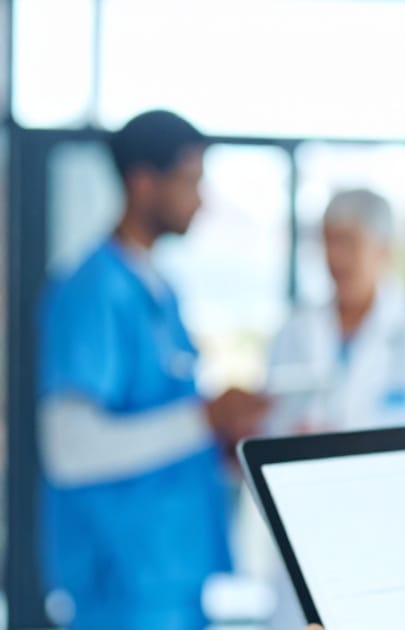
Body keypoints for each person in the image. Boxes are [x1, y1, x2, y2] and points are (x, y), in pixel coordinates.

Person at [38, 110, 270, 630]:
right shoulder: (93, 291)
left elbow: (166, 421)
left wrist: (221, 437)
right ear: (144, 182)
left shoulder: (159, 291)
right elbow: (68, 448)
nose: (201, 199)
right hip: (122, 585)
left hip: (173, 577)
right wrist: (203, 420)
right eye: (190, 180)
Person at [260, 188, 405, 628]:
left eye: (349, 243)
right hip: (308, 540)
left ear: (384, 250)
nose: (336, 257)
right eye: (328, 242)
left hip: (397, 551)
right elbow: (267, 433)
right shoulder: (293, 332)